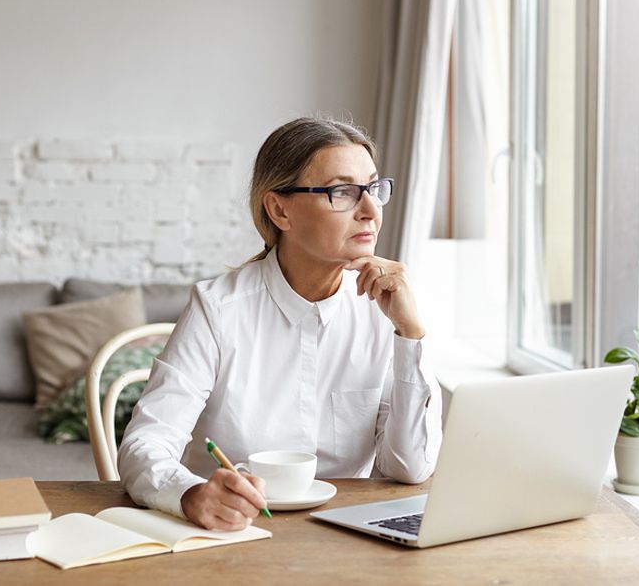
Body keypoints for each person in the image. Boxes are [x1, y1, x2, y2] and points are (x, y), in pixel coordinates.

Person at [118, 116, 442, 531]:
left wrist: (411, 336)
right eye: (342, 191)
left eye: (374, 188)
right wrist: (191, 494)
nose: (370, 210)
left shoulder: (384, 309)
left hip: (348, 536)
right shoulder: (217, 309)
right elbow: (146, 442)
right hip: (235, 534)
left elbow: (410, 469)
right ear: (279, 209)